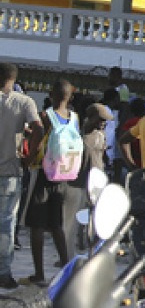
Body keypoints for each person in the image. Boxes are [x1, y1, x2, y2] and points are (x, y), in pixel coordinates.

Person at [24, 79, 79, 286]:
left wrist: (27, 161)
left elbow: (38, 141)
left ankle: (39, 274)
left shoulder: (46, 116)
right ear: (70, 97)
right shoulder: (74, 117)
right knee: (57, 224)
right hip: (65, 175)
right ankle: (67, 269)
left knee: (36, 224)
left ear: (52, 94)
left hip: (46, 174)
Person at [0, 63, 40, 289]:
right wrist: (29, 156)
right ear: (13, 79)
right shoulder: (24, 102)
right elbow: (39, 127)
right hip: (10, 172)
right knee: (6, 224)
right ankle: (3, 274)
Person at [67, 102, 112, 250]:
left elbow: (102, 154)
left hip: (98, 178)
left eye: (105, 120)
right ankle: (78, 245)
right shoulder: (81, 135)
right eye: (100, 119)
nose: (103, 123)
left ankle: (93, 243)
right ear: (91, 118)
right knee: (80, 214)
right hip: (81, 180)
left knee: (96, 213)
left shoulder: (101, 134)